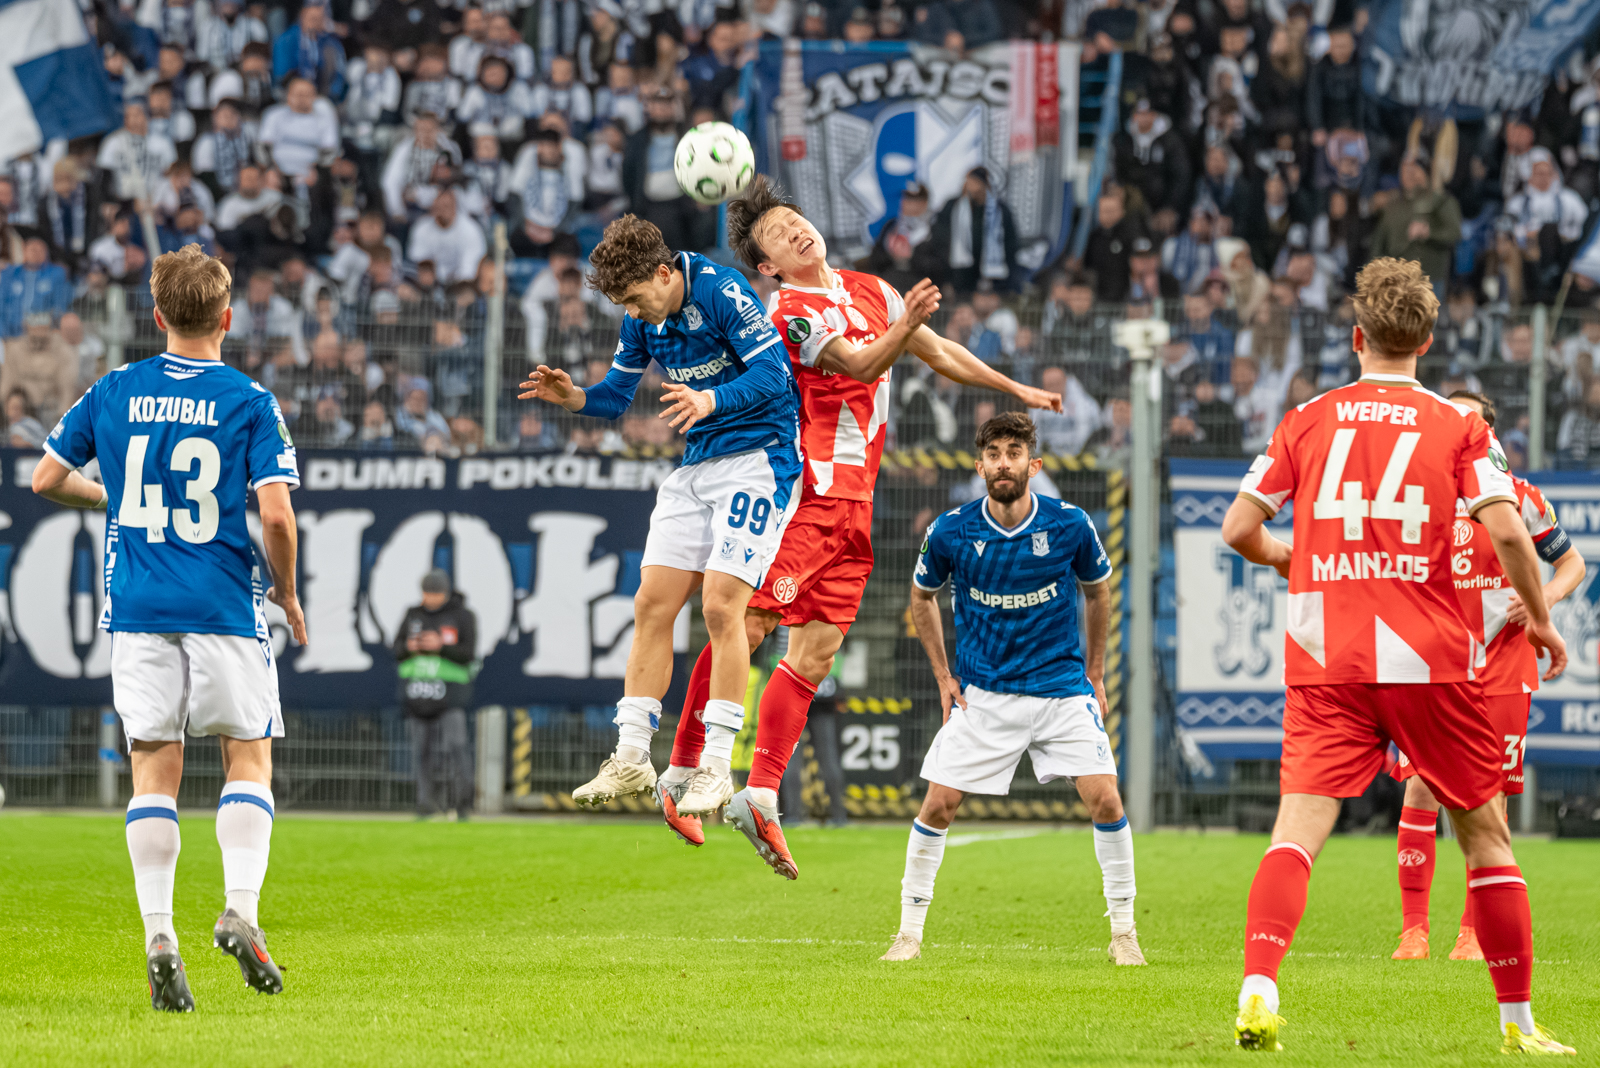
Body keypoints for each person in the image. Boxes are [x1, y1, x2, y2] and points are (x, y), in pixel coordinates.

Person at [1220, 257, 1575, 1055]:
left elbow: (1238, 529)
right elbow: (1512, 532)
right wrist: (1544, 619)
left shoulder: (1308, 416)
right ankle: (1517, 1025)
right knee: (1486, 837)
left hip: (1326, 656)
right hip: (1430, 656)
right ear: (1430, 339)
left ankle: (1259, 985)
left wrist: (1290, 560)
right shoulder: (1458, 425)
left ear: (1356, 337)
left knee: (1294, 836)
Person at [660, 178, 1060, 875]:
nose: (796, 232)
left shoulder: (871, 289)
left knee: (815, 652)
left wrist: (1011, 388)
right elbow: (863, 361)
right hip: (805, 493)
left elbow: (936, 352)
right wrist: (906, 327)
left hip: (857, 505)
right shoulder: (788, 311)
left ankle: (760, 792)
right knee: (748, 626)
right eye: (777, 235)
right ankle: (682, 771)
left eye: (795, 220)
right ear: (768, 266)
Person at [30, 244, 307, 1012]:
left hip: (140, 609)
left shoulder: (115, 389)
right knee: (246, 758)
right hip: (222, 605)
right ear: (227, 317)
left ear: (156, 317)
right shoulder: (250, 400)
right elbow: (277, 514)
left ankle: (159, 936)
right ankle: (240, 910)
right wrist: (285, 591)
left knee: (154, 771)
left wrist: (112, 498)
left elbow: (45, 478)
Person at [515, 214, 801, 822]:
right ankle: (631, 754)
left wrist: (711, 399)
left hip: (758, 461)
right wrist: (575, 398)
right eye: (625, 306)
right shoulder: (640, 318)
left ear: (665, 273)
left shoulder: (723, 292)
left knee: (722, 606)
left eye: (638, 299)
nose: (636, 314)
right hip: (697, 467)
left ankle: (717, 769)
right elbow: (617, 397)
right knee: (650, 604)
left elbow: (777, 379)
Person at [884, 412, 1141, 965]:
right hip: (985, 695)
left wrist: (1095, 674)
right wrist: (943, 676)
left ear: (1034, 464)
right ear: (980, 466)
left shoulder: (1070, 524)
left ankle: (1124, 933)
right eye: (995, 454)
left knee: (1106, 799)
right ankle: (907, 934)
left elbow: (1099, 593)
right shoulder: (952, 530)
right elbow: (920, 597)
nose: (1005, 462)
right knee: (938, 806)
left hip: (1061, 690)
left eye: (1014, 452)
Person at [1388, 391, 1586, 962]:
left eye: (1469, 420)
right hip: (1430, 666)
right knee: (1421, 784)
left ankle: (1472, 934)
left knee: (1489, 796)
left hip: (1501, 666)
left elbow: (1570, 562)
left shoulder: (1518, 498)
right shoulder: (1416, 497)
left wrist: (1543, 599)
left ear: (1489, 434)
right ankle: (1414, 931)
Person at [395, 569, 479, 821]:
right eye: (427, 594)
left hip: (451, 696)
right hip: (418, 694)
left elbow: (468, 653)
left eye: (436, 594)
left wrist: (441, 647)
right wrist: (410, 647)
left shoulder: (463, 616)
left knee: (457, 747)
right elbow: (396, 649)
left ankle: (463, 805)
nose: (431, 599)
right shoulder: (413, 615)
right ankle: (425, 805)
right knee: (421, 751)